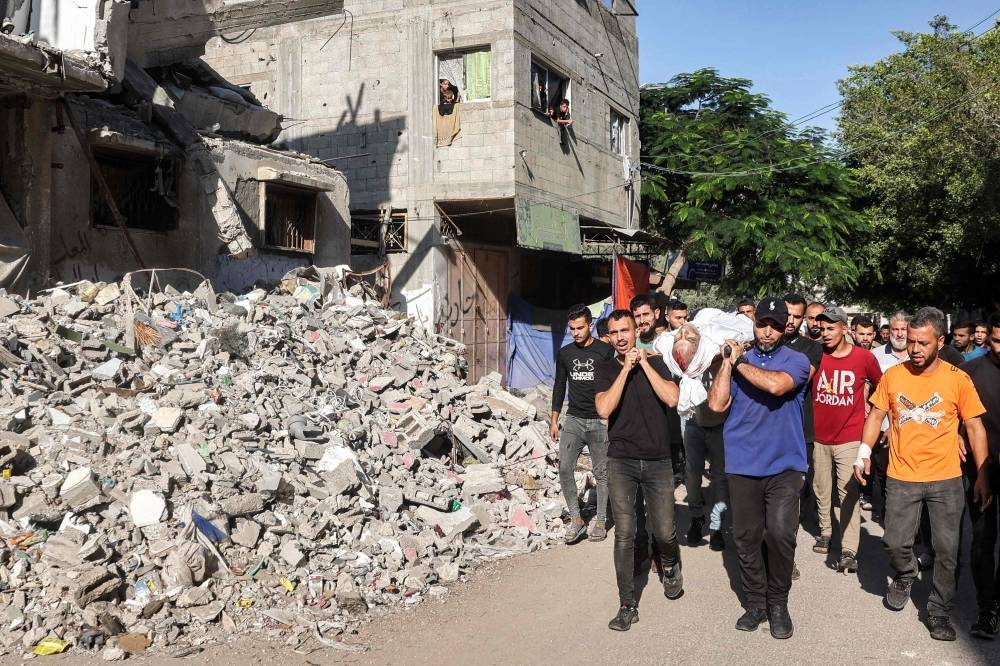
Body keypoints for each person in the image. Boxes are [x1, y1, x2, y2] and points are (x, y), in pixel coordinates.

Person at [854, 308, 992, 642]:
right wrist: (864, 452)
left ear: (940, 342)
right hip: (902, 475)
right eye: (911, 341)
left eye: (923, 343)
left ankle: (938, 609)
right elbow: (875, 416)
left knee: (948, 550)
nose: (914, 348)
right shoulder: (894, 376)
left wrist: (982, 475)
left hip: (946, 478)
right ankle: (905, 573)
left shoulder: (957, 379)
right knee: (894, 541)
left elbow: (974, 427)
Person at [708, 297, 811, 640]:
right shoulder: (739, 359)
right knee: (746, 537)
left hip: (785, 465)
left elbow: (776, 385)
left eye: (775, 325)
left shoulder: (797, 360)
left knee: (781, 534)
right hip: (742, 464)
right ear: (753, 324)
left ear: (785, 327)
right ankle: (755, 602)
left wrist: (738, 364)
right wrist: (727, 362)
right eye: (762, 324)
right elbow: (717, 403)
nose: (767, 332)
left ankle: (778, 603)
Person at [595, 310, 683, 631]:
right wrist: (625, 370)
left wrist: (644, 363)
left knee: (664, 531)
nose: (620, 337)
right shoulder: (604, 368)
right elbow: (604, 408)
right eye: (614, 332)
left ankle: (670, 562)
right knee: (625, 533)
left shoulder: (657, 362)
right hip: (622, 460)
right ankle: (627, 603)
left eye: (625, 330)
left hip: (658, 459)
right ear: (609, 336)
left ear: (636, 332)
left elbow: (672, 398)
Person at [810, 306, 883, 573]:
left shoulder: (864, 358)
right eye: (823, 328)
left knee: (849, 491)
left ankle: (849, 548)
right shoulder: (815, 354)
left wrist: (869, 407)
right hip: (819, 436)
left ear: (845, 329)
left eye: (831, 328)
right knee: (821, 488)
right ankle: (826, 532)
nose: (826, 333)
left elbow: (882, 387)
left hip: (851, 436)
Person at [551, 305, 615, 544]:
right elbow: (559, 385)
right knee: (565, 468)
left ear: (590, 325)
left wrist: (612, 418)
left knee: (601, 472)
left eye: (580, 328)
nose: (576, 333)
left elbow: (614, 384)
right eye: (572, 329)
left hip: (600, 421)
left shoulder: (605, 351)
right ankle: (576, 519)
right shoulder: (566, 354)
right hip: (574, 419)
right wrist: (554, 419)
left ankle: (600, 520)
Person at [962, 313, 1000, 639]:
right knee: (982, 542)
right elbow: (953, 412)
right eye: (998, 340)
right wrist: (958, 436)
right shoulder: (972, 371)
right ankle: (986, 608)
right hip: (981, 468)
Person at [784, 294, 823, 564]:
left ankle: (787, 554)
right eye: (787, 314)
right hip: (770, 431)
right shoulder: (760, 344)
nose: (791, 321)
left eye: (797, 316)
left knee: (795, 491)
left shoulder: (811, 348)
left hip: (801, 429)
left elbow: (796, 380)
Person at [868, 311, 910, 524]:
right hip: (883, 426)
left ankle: (911, 520)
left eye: (903, 329)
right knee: (884, 474)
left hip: (912, 428)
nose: (900, 334)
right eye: (895, 329)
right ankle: (888, 515)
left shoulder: (917, 353)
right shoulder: (875, 355)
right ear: (889, 331)